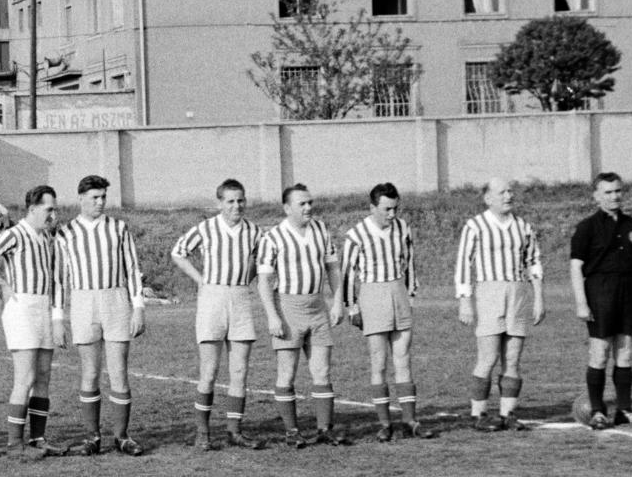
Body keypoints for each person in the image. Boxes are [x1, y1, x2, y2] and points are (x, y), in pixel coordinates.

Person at [0, 185, 71, 459]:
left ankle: (38, 439)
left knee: (43, 378)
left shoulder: (47, 238)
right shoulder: (15, 234)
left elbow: (57, 280)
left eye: (54, 209)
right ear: (32, 209)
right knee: (24, 377)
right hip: (22, 308)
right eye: (49, 209)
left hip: (43, 308)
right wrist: (2, 282)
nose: (53, 215)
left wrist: (58, 317)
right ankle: (15, 444)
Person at [54, 175, 148, 456]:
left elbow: (132, 269)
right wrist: (58, 317)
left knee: (118, 371)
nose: (100, 202)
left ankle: (122, 436)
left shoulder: (119, 228)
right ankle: (92, 437)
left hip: (116, 298)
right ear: (80, 198)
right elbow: (60, 278)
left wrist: (139, 306)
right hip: (83, 301)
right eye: (94, 197)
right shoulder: (66, 232)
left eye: (103, 197)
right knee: (90, 372)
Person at [171, 179, 263, 450]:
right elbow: (178, 253)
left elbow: (263, 261)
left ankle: (235, 431)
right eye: (231, 201)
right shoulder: (207, 227)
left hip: (240, 299)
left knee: (239, 370)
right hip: (212, 299)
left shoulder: (255, 232)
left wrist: (249, 276)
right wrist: (200, 280)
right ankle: (203, 432)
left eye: (240, 200)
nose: (237, 206)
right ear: (220, 203)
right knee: (209, 370)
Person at [343, 182, 435, 441]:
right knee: (379, 363)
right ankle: (385, 424)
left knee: (404, 359)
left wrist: (410, 296)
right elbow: (348, 274)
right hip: (372, 295)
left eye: (395, 208)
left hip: (398, 294)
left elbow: (410, 263)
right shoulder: (356, 234)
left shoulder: (403, 228)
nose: (392, 214)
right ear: (372, 207)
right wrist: (352, 307)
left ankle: (410, 421)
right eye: (386, 209)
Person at [257, 184, 346, 448]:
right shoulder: (273, 237)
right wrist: (273, 316)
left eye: (310, 203)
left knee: (322, 371)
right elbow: (264, 282)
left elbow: (333, 269)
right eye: (302, 204)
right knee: (287, 373)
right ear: (287, 208)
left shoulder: (321, 230)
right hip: (288, 308)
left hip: (317, 307)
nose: (308, 208)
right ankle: (292, 431)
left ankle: (324, 429)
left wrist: (337, 301)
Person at [454, 178, 547, 432]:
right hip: (489, 292)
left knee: (513, 358)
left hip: (517, 292)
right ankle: (479, 414)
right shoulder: (475, 226)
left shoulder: (523, 227)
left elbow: (533, 261)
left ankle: (508, 414)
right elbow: (464, 264)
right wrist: (465, 301)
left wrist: (538, 297)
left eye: (510, 191)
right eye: (502, 192)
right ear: (488, 198)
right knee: (488, 357)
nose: (508, 196)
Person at [570, 172, 632, 429]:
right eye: (608, 192)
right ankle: (597, 411)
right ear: (596, 196)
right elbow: (575, 267)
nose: (614, 196)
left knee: (625, 352)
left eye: (617, 191)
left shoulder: (630, 224)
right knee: (600, 353)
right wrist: (582, 303)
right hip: (600, 292)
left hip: (627, 292)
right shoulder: (587, 227)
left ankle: (624, 410)